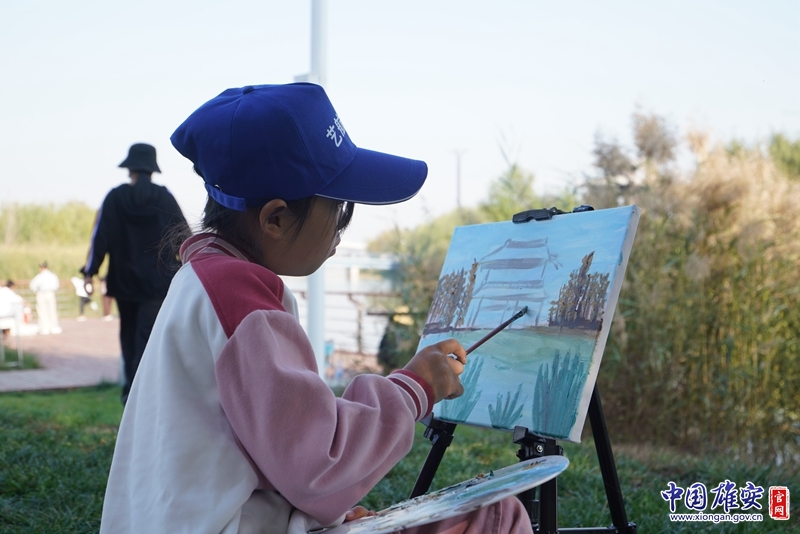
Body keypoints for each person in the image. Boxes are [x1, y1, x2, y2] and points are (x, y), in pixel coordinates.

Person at [99, 84, 531, 534]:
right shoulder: (240, 299)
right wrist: (413, 388)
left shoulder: (200, 280)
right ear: (275, 218)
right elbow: (321, 466)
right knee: (495, 517)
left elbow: (261, 447)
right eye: (339, 208)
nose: (341, 230)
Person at [82, 143, 187, 404]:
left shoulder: (115, 198)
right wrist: (195, 264)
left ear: (129, 168)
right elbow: (183, 236)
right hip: (158, 282)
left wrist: (90, 272)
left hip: (124, 283)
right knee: (148, 336)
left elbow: (100, 239)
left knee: (128, 337)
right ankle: (146, 393)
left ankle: (131, 392)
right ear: (152, 169)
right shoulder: (164, 198)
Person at [29, 262, 62, 335]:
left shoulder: (39, 276)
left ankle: (45, 328)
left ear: (40, 268)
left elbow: (33, 286)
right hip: (51, 293)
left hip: (41, 293)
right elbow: (56, 286)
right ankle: (53, 327)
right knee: (52, 310)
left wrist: (36, 291)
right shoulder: (53, 276)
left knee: (42, 311)